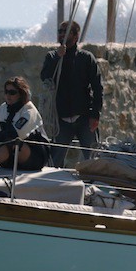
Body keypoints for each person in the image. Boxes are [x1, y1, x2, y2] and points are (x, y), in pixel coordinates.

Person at [41, 20, 103, 167]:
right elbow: (45, 77)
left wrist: (95, 114)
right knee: (55, 161)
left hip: (84, 117)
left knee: (93, 158)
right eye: (60, 31)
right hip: (61, 118)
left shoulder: (86, 58)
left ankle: (96, 185)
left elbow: (97, 87)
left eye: (66, 31)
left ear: (76, 36)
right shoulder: (52, 57)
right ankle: (54, 188)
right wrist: (57, 57)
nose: (62, 34)